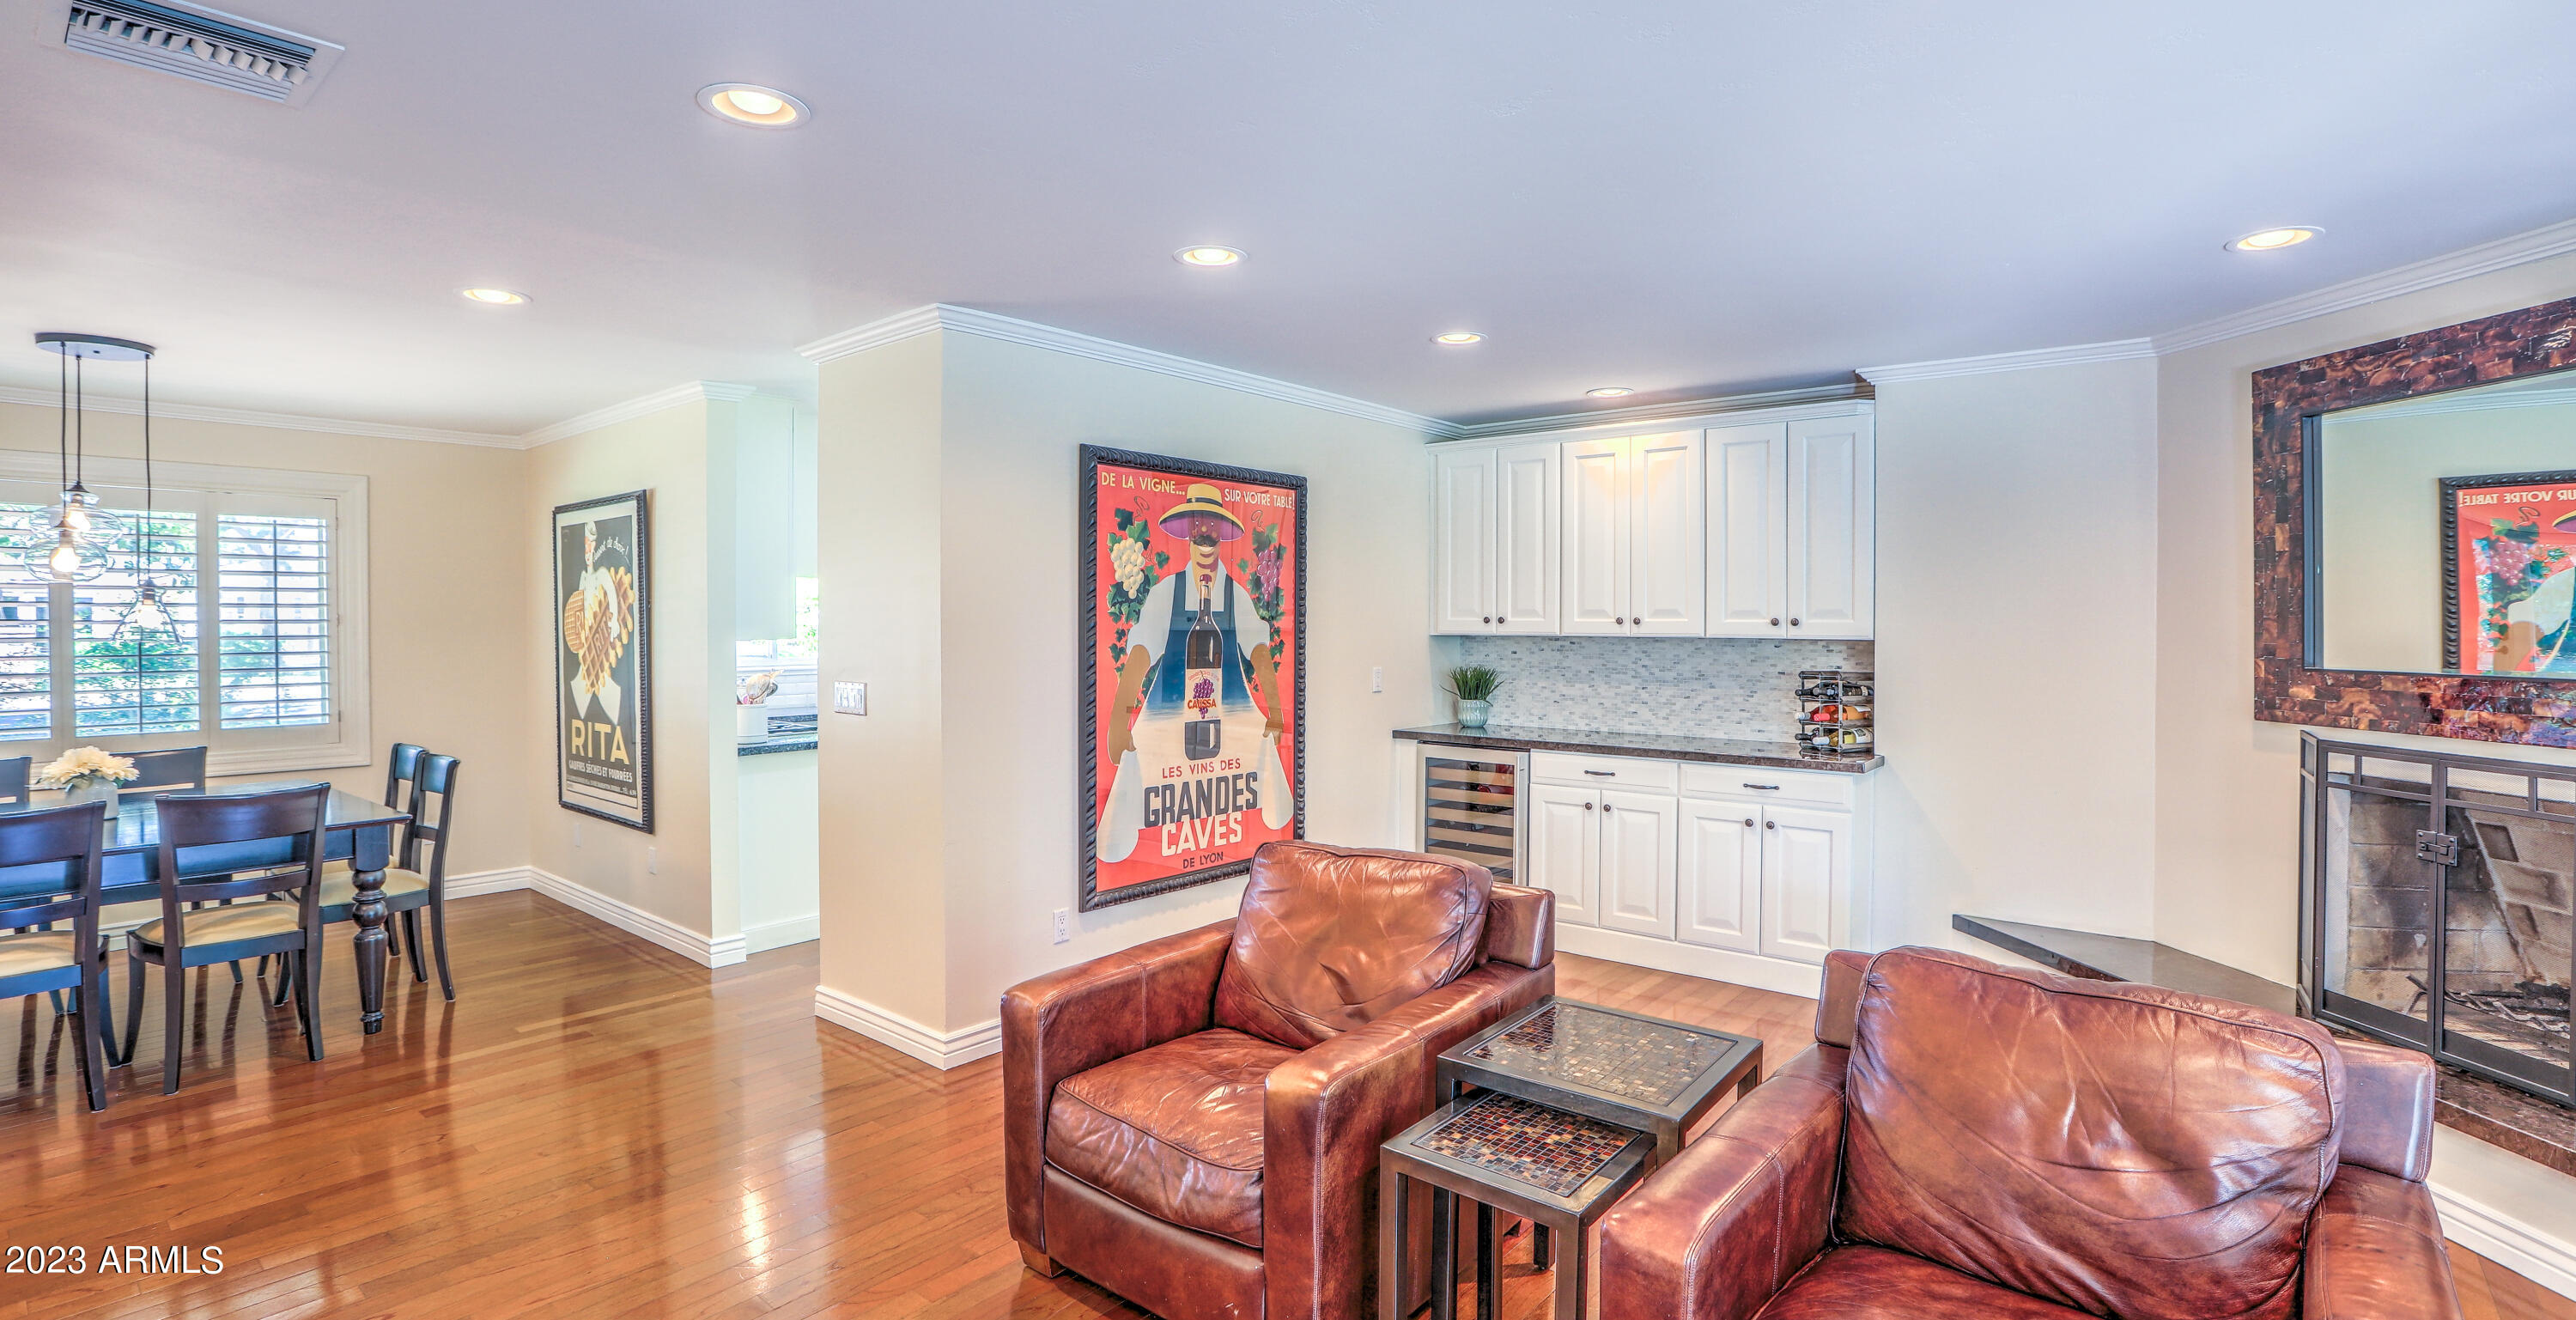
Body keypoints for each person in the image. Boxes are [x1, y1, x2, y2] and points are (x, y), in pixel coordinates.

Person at [1097, 484, 1286, 862]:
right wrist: (1120, 717)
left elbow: (1259, 653)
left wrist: (1277, 712)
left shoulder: (1236, 595)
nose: (1205, 539)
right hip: (1169, 725)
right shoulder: (1167, 592)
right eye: (1198, 529)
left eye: (1211, 530)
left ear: (1220, 535)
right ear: (1188, 535)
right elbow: (1141, 652)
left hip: (1226, 723)